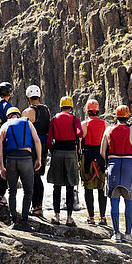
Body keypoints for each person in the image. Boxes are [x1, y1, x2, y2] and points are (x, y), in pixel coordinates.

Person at [100, 105, 132, 243]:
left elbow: (102, 151)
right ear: (128, 116)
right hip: (128, 166)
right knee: (129, 201)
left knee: (114, 200)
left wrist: (108, 163)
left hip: (113, 165)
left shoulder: (108, 130)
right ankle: (128, 234)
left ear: (116, 116)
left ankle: (116, 234)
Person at [0, 106, 42, 231]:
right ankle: (24, 221)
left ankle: (14, 221)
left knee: (12, 191)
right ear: (18, 115)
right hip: (26, 160)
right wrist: (38, 159)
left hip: (11, 160)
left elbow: (0, 148)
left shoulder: (5, 126)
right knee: (28, 191)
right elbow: (37, 141)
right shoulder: (27, 122)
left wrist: (2, 167)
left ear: (8, 116)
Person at [47, 96, 83, 226]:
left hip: (57, 153)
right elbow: (80, 134)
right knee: (70, 186)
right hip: (70, 154)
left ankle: (56, 216)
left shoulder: (54, 119)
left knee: (57, 186)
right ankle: (69, 218)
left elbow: (49, 140)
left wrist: (53, 151)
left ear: (60, 106)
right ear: (71, 107)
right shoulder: (75, 119)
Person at [22, 84, 51, 216]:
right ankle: (39, 206)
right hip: (44, 147)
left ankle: (35, 206)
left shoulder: (28, 112)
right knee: (38, 176)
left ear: (28, 97)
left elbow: (22, 131)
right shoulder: (46, 109)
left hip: (33, 146)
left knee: (32, 176)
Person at [80, 99, 109, 225]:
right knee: (102, 188)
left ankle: (91, 217)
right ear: (97, 111)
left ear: (87, 111)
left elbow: (80, 142)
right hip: (102, 158)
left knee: (88, 187)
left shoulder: (84, 124)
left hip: (88, 158)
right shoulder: (106, 124)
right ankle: (102, 218)